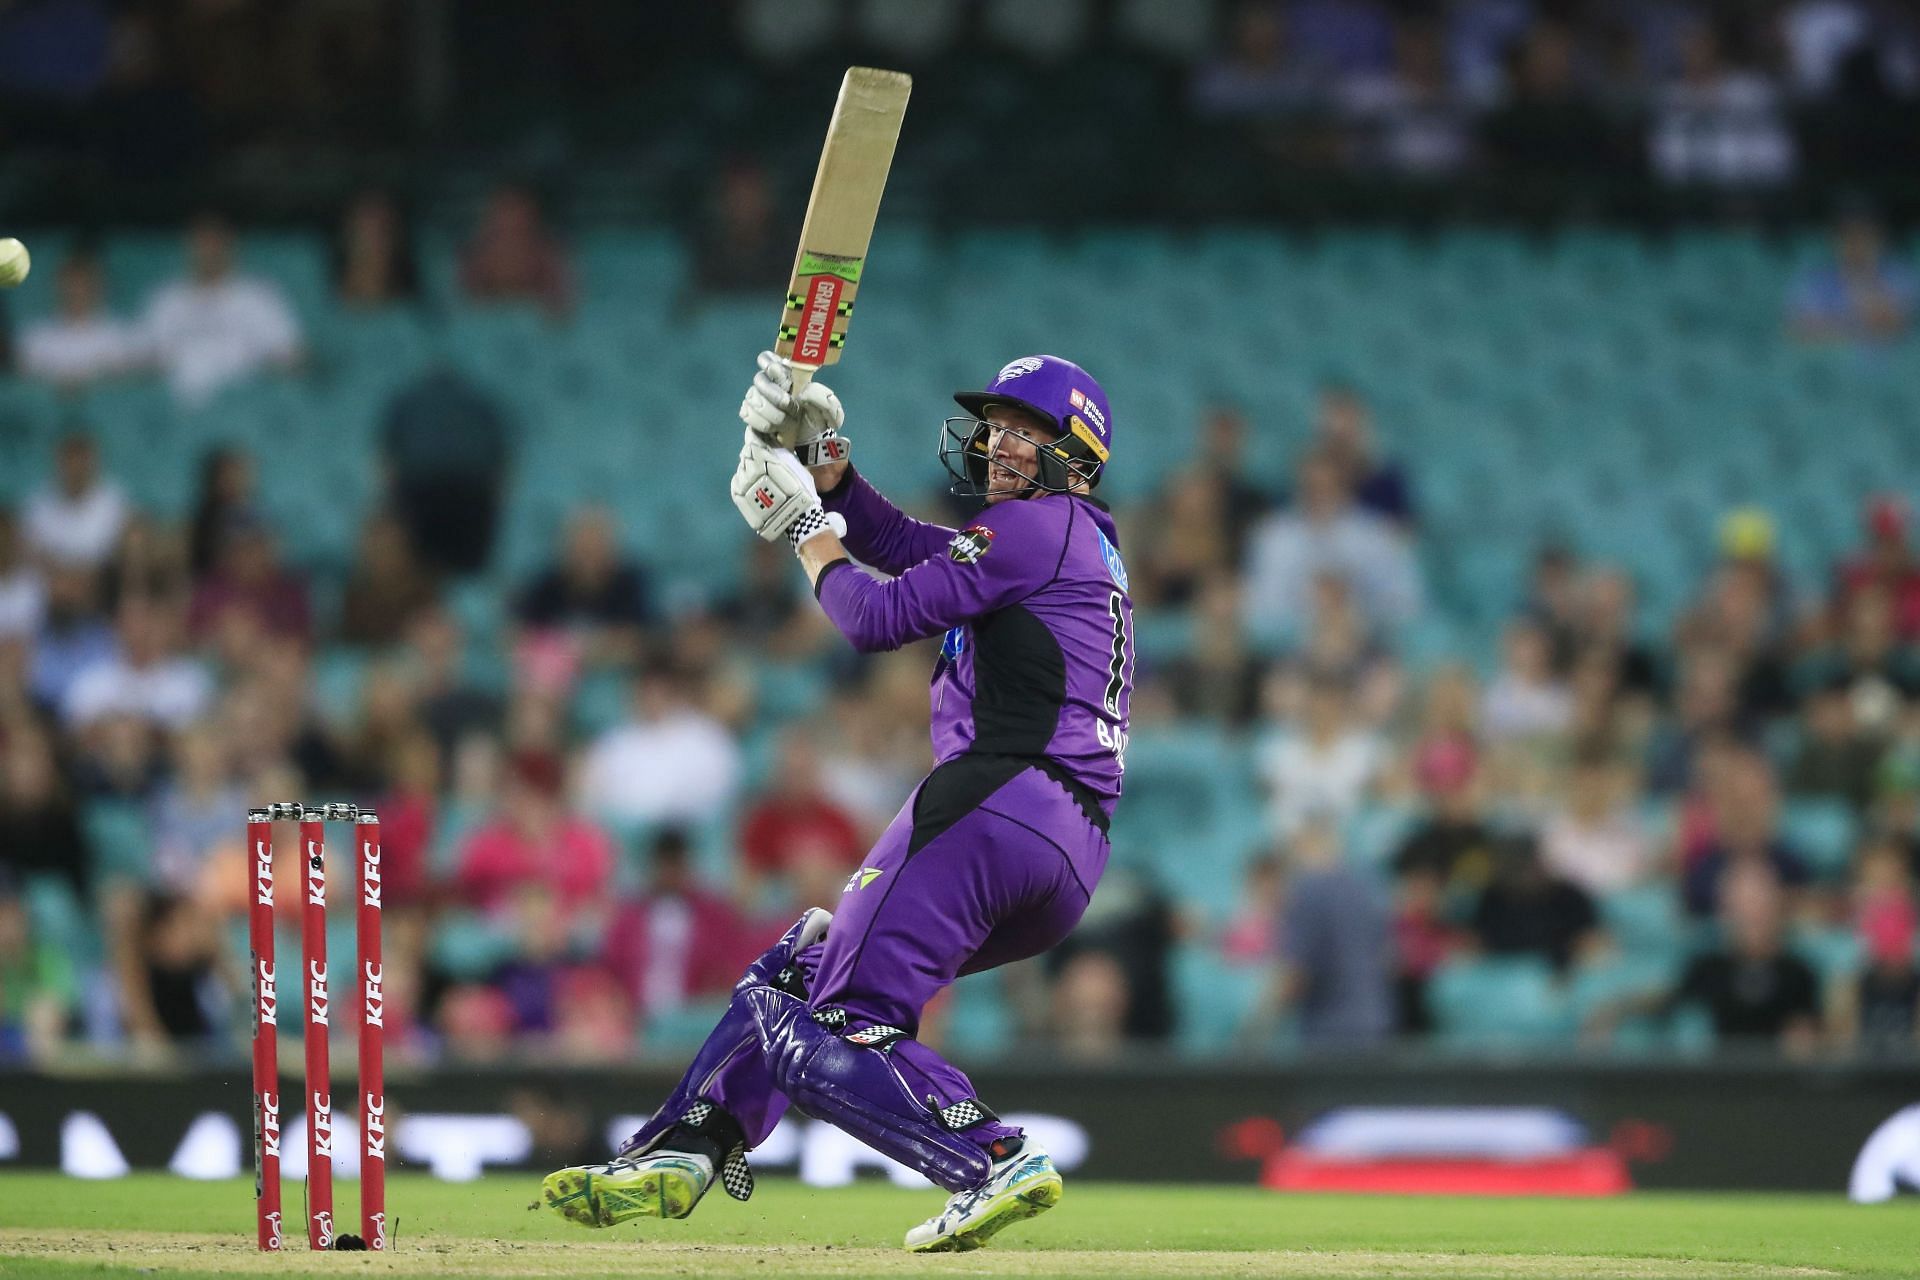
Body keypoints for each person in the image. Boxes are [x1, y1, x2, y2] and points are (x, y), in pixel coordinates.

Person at [543, 352, 1132, 1253]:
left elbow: (875, 617)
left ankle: (990, 1156)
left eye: (1028, 429)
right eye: (998, 425)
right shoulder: (1071, 543)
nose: (1002, 443)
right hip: (1065, 856)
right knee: (801, 974)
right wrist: (832, 472)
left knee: (836, 1026)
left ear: (1078, 455)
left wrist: (805, 529)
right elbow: (908, 547)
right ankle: (687, 1145)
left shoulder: (1033, 531)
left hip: (996, 800)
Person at [142, 212, 304, 405]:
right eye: (201, 240)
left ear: (231, 243)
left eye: (215, 239)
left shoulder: (260, 295)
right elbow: (144, 360)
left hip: (246, 406)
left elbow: (293, 358)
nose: (208, 248)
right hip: (176, 409)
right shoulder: (165, 298)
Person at [18, 247, 148, 388]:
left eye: (83, 284)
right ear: (58, 286)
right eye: (71, 284)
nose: (77, 291)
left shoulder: (121, 336)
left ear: (98, 286)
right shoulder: (35, 338)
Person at [22, 432, 128, 572]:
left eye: (82, 461)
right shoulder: (37, 503)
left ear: (93, 463)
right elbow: (29, 551)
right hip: (50, 581)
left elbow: (118, 553)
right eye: (70, 460)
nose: (76, 468)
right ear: (59, 462)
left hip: (99, 582)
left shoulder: (115, 501)